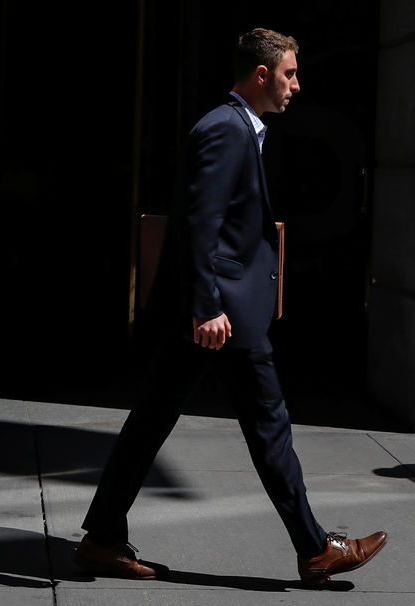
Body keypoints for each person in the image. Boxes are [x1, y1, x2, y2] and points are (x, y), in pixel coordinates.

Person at [74, 28, 388, 587]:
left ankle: (102, 538)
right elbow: (200, 224)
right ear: (262, 74)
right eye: (290, 73)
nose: (297, 84)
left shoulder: (240, 128)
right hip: (219, 317)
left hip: (210, 313)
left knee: (152, 424)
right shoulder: (225, 130)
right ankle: (317, 550)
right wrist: (206, 307)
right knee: (268, 428)